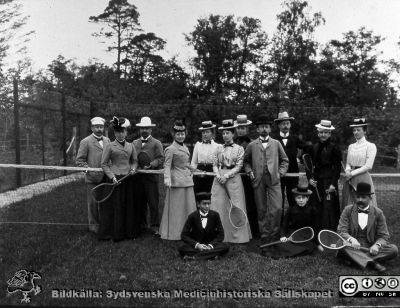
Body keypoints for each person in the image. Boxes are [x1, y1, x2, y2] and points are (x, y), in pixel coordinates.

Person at [244, 115, 289, 244]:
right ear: (257, 130)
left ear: (270, 129)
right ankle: (264, 234)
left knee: (277, 208)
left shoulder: (276, 143)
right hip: (258, 180)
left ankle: (274, 233)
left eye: (266, 127)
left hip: (274, 179)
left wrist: (280, 173)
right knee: (261, 208)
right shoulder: (252, 145)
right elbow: (246, 161)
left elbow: (285, 160)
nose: (264, 129)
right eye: (261, 127)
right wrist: (249, 171)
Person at [337, 182, 398, 273]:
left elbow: (384, 236)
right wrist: (352, 240)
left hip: (370, 247)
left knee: (393, 249)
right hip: (351, 246)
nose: (360, 200)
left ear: (370, 198)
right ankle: (372, 263)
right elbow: (341, 230)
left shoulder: (378, 213)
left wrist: (377, 246)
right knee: (341, 245)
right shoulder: (348, 210)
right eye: (358, 197)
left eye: (363, 197)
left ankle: (355, 259)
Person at [210, 119, 251, 243]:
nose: (225, 135)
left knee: (236, 205)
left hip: (233, 179)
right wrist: (218, 175)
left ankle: (237, 237)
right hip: (219, 179)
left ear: (233, 134)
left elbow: (239, 166)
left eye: (228, 133)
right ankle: (219, 235)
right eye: (223, 133)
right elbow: (215, 164)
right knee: (218, 205)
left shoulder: (239, 149)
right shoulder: (217, 148)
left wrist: (226, 176)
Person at [99, 116, 139, 241]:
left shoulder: (131, 146)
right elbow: (104, 164)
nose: (120, 134)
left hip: (128, 179)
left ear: (126, 132)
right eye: (117, 132)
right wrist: (112, 177)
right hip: (116, 180)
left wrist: (133, 168)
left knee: (129, 205)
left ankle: (129, 232)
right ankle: (116, 233)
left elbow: (134, 161)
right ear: (114, 133)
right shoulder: (110, 146)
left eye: (122, 131)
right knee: (116, 206)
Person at [160, 120, 197, 240]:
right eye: (178, 134)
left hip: (187, 180)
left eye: (182, 134)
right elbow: (166, 165)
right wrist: (167, 179)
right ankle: (174, 233)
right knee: (177, 209)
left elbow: (185, 163)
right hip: (177, 182)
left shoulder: (185, 147)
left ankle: (189, 232)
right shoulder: (170, 149)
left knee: (188, 207)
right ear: (174, 135)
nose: (181, 136)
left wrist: (195, 169)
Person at [76, 117, 110, 233]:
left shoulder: (107, 141)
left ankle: (105, 224)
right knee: (93, 204)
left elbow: (110, 157)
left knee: (106, 202)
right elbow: (80, 161)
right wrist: (88, 171)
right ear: (92, 128)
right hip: (92, 179)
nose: (99, 129)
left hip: (106, 177)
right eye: (96, 127)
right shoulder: (85, 141)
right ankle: (94, 226)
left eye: (101, 127)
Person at [264, 183, 317, 258]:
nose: (301, 200)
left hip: (305, 235)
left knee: (309, 247)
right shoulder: (291, 210)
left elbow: (315, 227)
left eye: (303, 198)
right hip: (292, 233)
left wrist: (317, 243)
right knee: (282, 245)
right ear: (295, 198)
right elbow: (284, 225)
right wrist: (283, 236)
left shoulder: (312, 210)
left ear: (307, 199)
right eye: (299, 198)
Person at [307, 120, 342, 232]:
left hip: (329, 181)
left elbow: (337, 168)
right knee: (316, 205)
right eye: (321, 132)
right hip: (316, 182)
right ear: (318, 133)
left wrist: (333, 184)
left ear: (329, 134)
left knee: (328, 207)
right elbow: (308, 165)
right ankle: (316, 232)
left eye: (326, 132)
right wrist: (310, 179)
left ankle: (329, 232)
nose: (323, 135)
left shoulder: (335, 148)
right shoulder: (313, 147)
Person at [273, 112, 307, 225]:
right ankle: (280, 222)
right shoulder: (273, 139)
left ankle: (293, 222)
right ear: (279, 125)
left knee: (293, 197)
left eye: (287, 123)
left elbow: (307, 148)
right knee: (279, 199)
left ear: (290, 125)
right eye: (283, 124)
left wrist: (302, 159)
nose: (285, 126)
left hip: (293, 174)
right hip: (278, 174)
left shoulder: (295, 139)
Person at [132, 117, 164, 235]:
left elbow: (160, 158)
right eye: (142, 128)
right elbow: (132, 159)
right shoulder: (134, 143)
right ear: (140, 130)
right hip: (138, 178)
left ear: (151, 129)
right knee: (140, 202)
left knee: (153, 202)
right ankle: (142, 225)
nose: (144, 130)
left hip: (151, 177)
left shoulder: (157, 143)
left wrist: (151, 165)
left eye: (146, 128)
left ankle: (155, 226)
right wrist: (134, 167)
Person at [178, 192, 230, 260]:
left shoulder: (215, 215)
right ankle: (212, 256)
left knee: (225, 246)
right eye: (204, 204)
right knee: (181, 247)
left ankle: (194, 257)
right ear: (198, 204)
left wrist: (211, 245)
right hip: (197, 245)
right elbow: (184, 235)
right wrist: (197, 245)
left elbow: (221, 234)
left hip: (211, 244)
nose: (207, 206)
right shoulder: (192, 216)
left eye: (208, 203)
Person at [342, 118, 377, 211]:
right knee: (349, 204)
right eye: (354, 130)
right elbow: (348, 163)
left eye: (358, 130)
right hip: (350, 178)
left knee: (363, 204)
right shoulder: (351, 146)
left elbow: (368, 165)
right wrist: (347, 170)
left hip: (363, 178)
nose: (356, 132)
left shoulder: (370, 146)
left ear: (364, 131)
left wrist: (352, 173)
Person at [233, 114, 259, 238]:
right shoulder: (231, 143)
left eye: (243, 128)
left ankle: (253, 231)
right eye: (238, 128)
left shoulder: (253, 143)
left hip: (249, 178)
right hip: (235, 177)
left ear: (247, 129)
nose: (240, 130)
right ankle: (237, 229)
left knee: (251, 204)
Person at [191, 120, 220, 194]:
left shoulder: (218, 146)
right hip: (199, 171)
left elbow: (218, 164)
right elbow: (194, 162)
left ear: (212, 133)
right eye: (203, 132)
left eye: (207, 132)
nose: (205, 134)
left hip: (212, 171)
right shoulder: (198, 145)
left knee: (210, 193)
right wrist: (193, 173)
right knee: (198, 193)